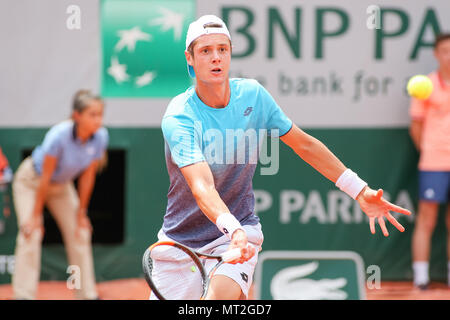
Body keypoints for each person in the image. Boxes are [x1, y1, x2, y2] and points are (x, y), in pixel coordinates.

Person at [153, 15, 411, 300]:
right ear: (190, 58)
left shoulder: (253, 96)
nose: (216, 58)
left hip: (238, 235)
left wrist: (358, 190)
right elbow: (202, 187)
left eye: (222, 49)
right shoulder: (180, 115)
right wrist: (232, 228)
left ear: (230, 52)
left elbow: (305, 145)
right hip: (180, 245)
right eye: (205, 51)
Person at [11, 90, 109, 300]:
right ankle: (23, 296)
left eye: (100, 114)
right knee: (31, 233)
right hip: (32, 182)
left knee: (80, 232)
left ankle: (86, 295)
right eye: (92, 114)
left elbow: (87, 177)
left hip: (62, 186)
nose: (98, 120)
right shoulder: (58, 135)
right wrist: (36, 216)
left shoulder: (101, 136)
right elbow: (44, 178)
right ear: (77, 116)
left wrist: (81, 213)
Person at [410, 33, 450, 290]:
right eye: (445, 50)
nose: (449, 55)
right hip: (433, 163)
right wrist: (429, 150)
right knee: (427, 219)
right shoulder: (425, 85)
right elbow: (416, 127)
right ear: (436, 54)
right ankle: (421, 277)